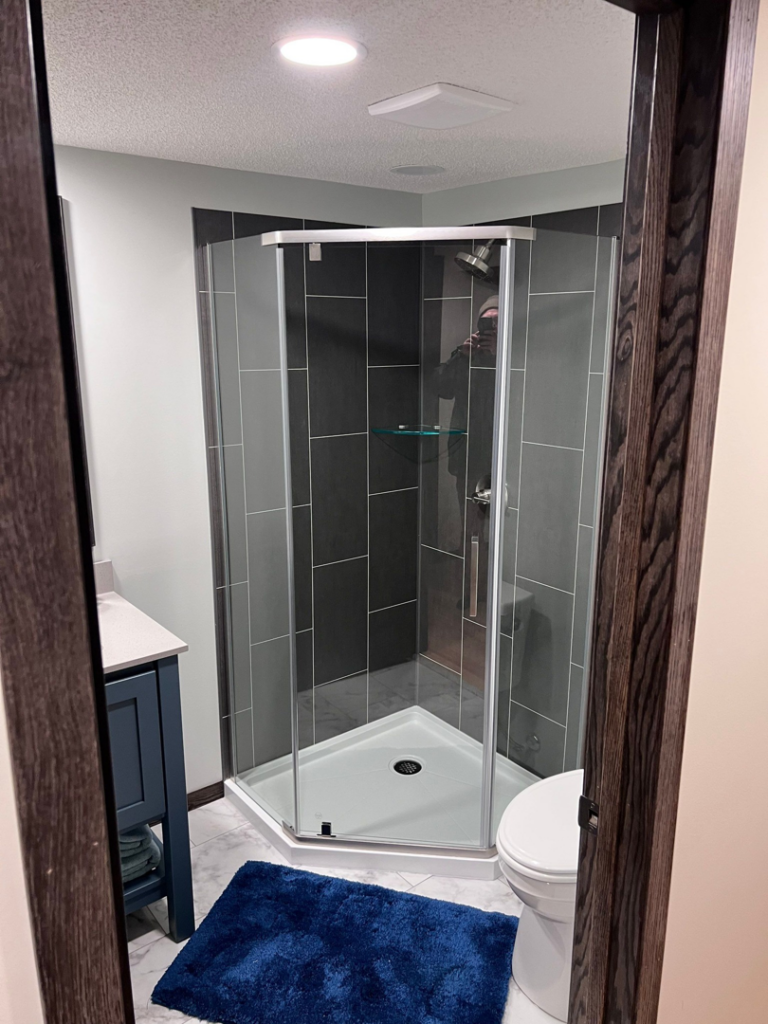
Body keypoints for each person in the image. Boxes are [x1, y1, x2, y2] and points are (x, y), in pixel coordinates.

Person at [434, 296, 499, 519]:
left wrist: (498, 357)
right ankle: (469, 549)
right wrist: (461, 357)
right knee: (468, 508)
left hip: (498, 446)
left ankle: (486, 550)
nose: (491, 327)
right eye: (486, 322)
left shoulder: (515, 356)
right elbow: (442, 389)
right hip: (468, 447)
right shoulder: (466, 355)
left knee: (497, 513)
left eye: (496, 322)